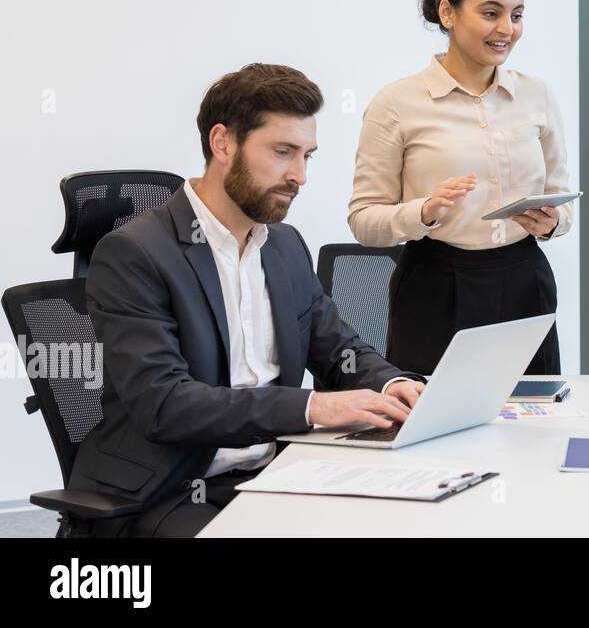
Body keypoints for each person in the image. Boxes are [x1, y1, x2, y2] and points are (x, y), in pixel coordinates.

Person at [71, 64, 424, 537]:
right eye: (282, 153)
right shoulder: (134, 254)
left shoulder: (283, 245)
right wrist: (311, 407)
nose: (298, 176)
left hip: (277, 474)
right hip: (170, 490)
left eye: (307, 156)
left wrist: (391, 384)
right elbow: (166, 405)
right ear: (223, 144)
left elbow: (341, 350)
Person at [349, 0, 572, 375]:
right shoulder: (396, 103)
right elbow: (363, 220)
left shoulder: (537, 95)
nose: (507, 29)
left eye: (517, 15)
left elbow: (564, 205)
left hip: (525, 281)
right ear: (447, 13)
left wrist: (553, 222)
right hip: (435, 285)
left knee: (534, 424)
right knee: (431, 427)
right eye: (491, 13)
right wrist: (424, 212)